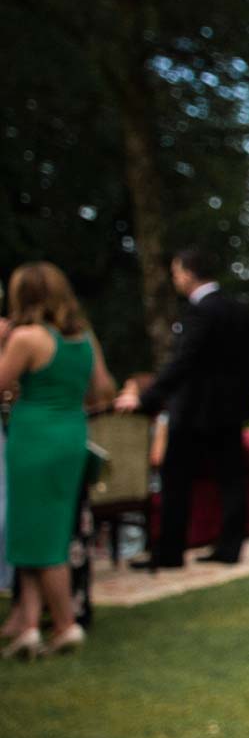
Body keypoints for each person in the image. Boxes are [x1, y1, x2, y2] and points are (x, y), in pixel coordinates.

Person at [115, 246, 249, 566]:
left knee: (175, 480)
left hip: (196, 412)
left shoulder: (200, 311)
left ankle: (169, 550)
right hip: (229, 411)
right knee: (231, 480)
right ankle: (230, 548)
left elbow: (183, 363)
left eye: (177, 272)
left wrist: (146, 397)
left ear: (190, 273)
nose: (176, 279)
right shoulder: (237, 309)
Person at [2, 263, 115, 657]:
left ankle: (65, 625)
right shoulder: (83, 339)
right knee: (40, 529)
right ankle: (29, 626)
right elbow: (103, 391)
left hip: (34, 437)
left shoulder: (27, 338)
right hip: (71, 435)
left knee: (44, 539)